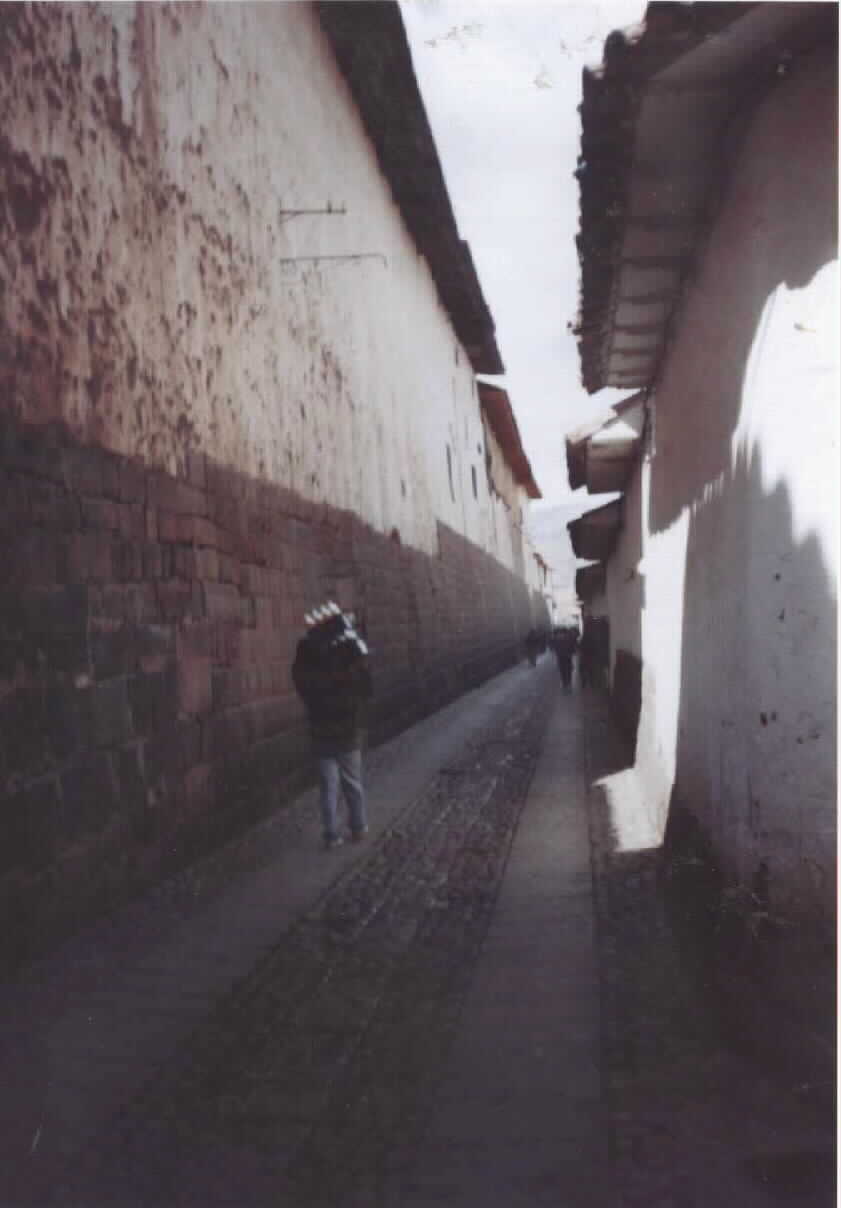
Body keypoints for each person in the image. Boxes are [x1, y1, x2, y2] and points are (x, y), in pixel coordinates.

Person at [292, 602, 373, 850]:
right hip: (347, 727)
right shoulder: (350, 647)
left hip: (320, 728)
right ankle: (358, 827)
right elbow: (365, 685)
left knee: (328, 786)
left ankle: (331, 834)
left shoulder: (307, 648)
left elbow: (300, 680)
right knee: (353, 782)